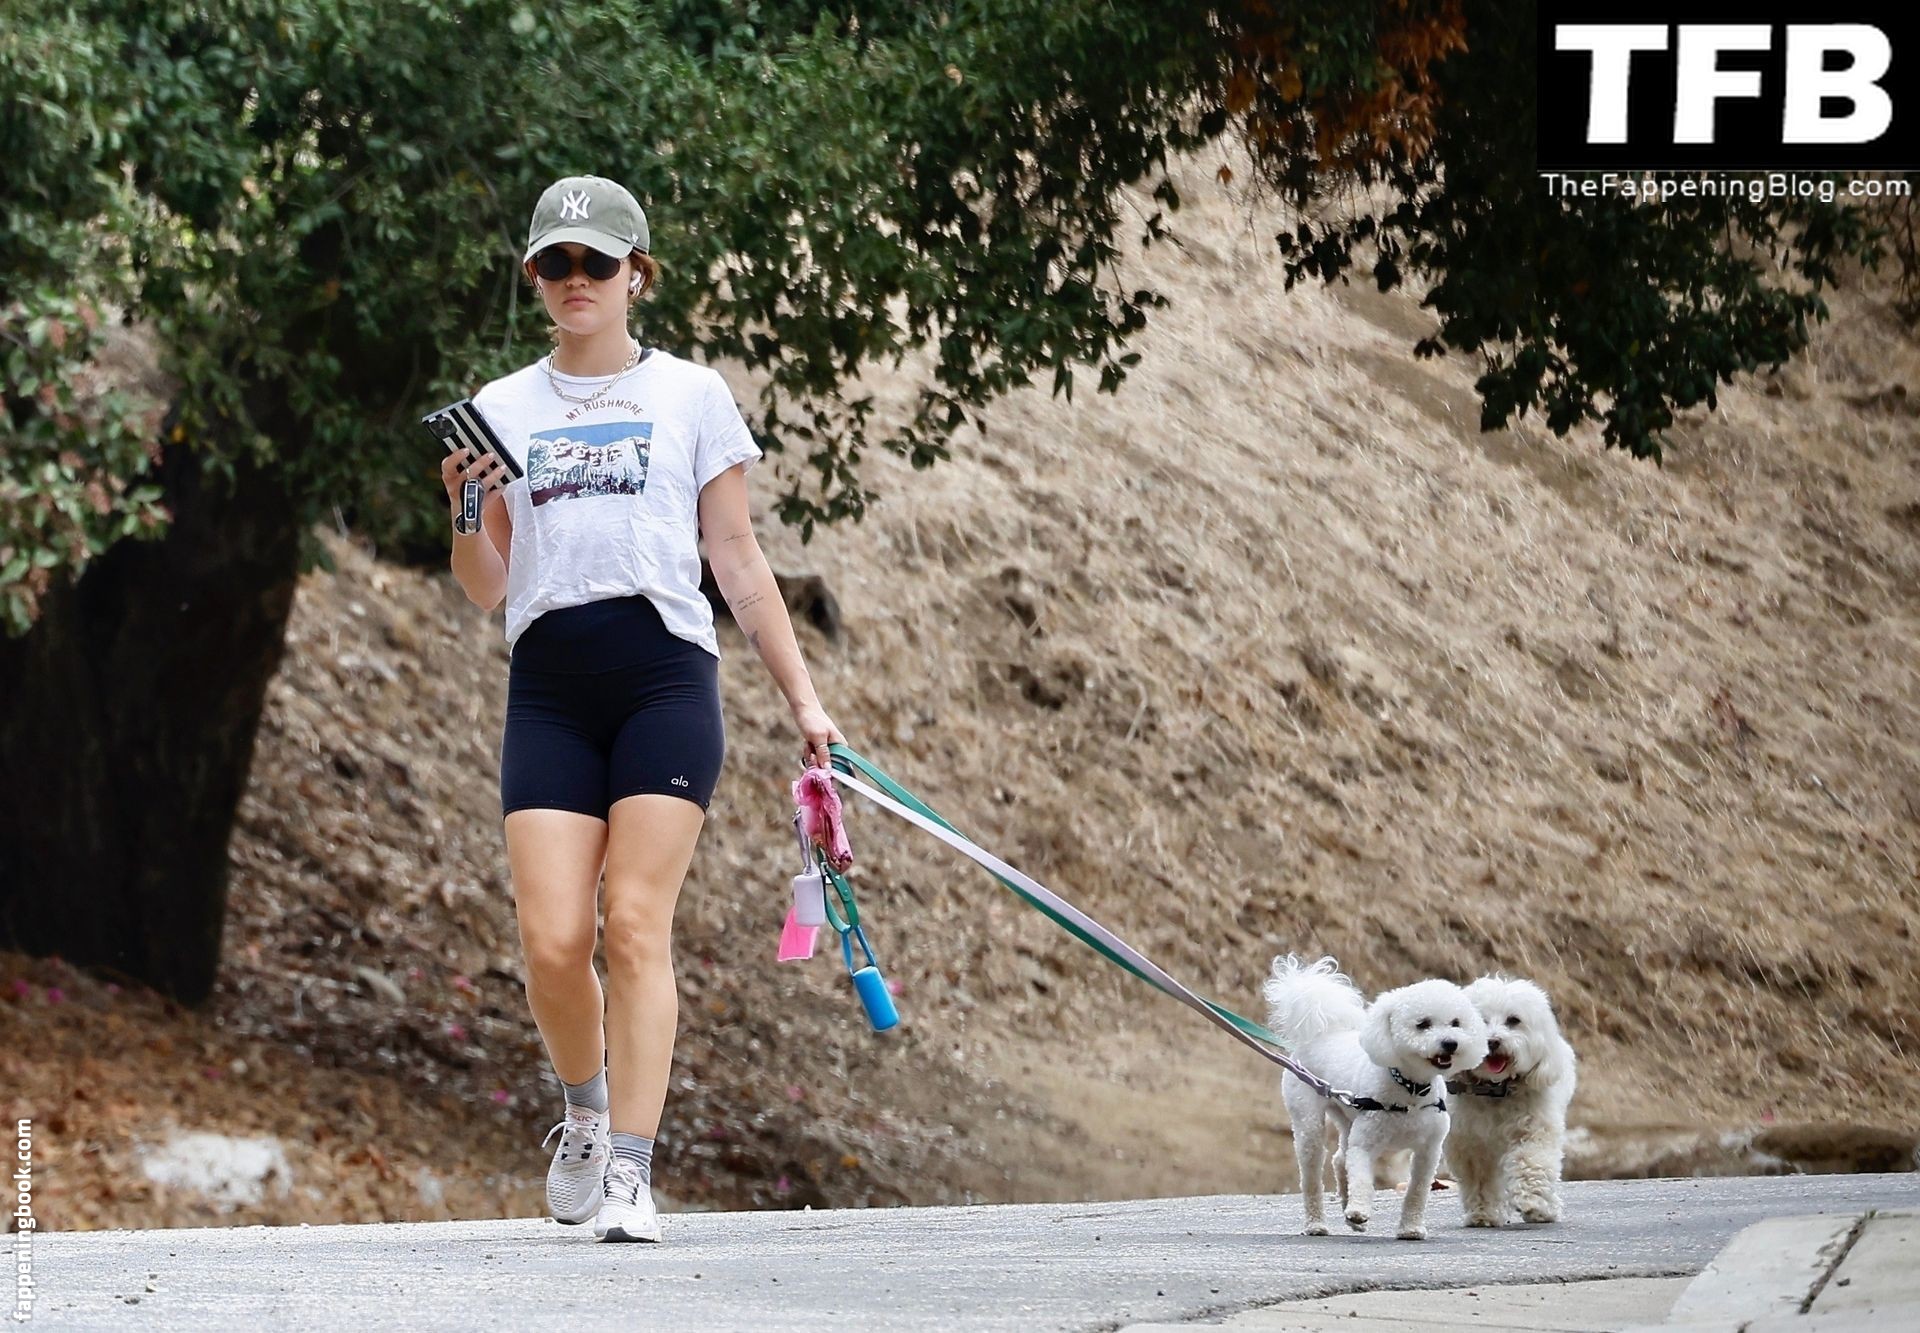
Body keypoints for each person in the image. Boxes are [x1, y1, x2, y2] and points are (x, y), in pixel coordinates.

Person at [438, 173, 845, 1242]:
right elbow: (485, 586)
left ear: (637, 275)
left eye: (597, 262)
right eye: (555, 263)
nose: (576, 279)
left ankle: (631, 1168)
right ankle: (583, 1111)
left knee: (632, 923)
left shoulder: (691, 395)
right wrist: (466, 505)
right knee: (552, 938)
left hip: (665, 678)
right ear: (535, 276)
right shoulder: (501, 408)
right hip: (550, 686)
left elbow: (738, 559)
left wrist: (806, 702)